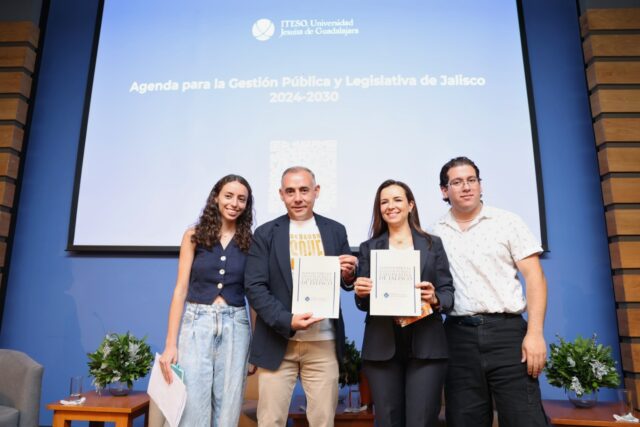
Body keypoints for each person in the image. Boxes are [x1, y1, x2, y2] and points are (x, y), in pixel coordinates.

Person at [434, 157, 549, 427]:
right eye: (457, 182)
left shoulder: (507, 222)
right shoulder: (434, 233)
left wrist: (535, 334)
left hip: (507, 335)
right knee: (463, 420)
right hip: (457, 337)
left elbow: (535, 278)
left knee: (526, 419)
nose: (466, 187)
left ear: (480, 185)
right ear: (444, 190)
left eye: (472, 180)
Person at [244, 166, 358, 427]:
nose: (298, 198)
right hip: (277, 340)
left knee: (322, 421)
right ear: (281, 195)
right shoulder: (265, 233)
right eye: (291, 191)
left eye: (304, 190)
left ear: (316, 192)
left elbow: (345, 281)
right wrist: (288, 320)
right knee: (270, 420)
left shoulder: (335, 230)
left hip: (323, 342)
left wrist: (349, 273)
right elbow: (255, 287)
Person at [353, 179, 455, 427]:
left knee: (421, 421)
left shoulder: (433, 244)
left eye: (397, 199)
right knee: (387, 421)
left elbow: (448, 293)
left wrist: (435, 298)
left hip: (427, 344)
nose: (391, 206)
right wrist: (360, 292)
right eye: (384, 202)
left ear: (410, 205)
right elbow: (363, 304)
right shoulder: (368, 248)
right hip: (382, 345)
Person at [159, 174, 254, 427]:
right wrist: (171, 345)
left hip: (237, 325)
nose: (234, 203)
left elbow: (254, 297)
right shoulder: (193, 236)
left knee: (228, 408)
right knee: (192, 407)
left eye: (241, 199)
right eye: (229, 196)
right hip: (196, 322)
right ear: (216, 197)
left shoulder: (251, 242)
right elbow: (180, 289)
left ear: (247, 205)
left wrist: (255, 347)